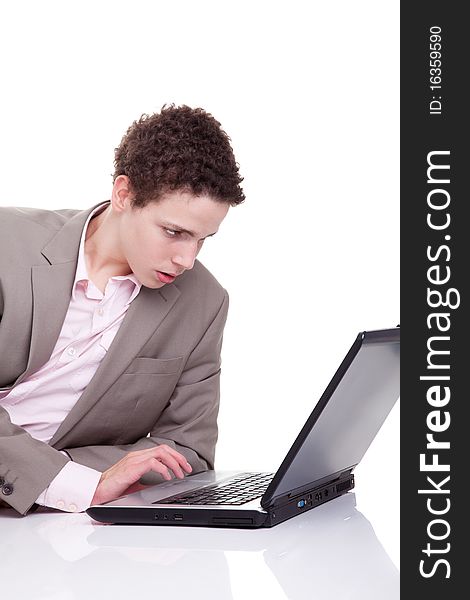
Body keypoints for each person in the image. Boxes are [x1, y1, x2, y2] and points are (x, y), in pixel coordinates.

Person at [0, 104, 245, 515]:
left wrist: (76, 484)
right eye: (174, 232)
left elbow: (188, 452)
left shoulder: (204, 302)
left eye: (203, 239)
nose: (187, 259)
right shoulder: (7, 245)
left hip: (47, 539)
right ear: (123, 194)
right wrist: (69, 482)